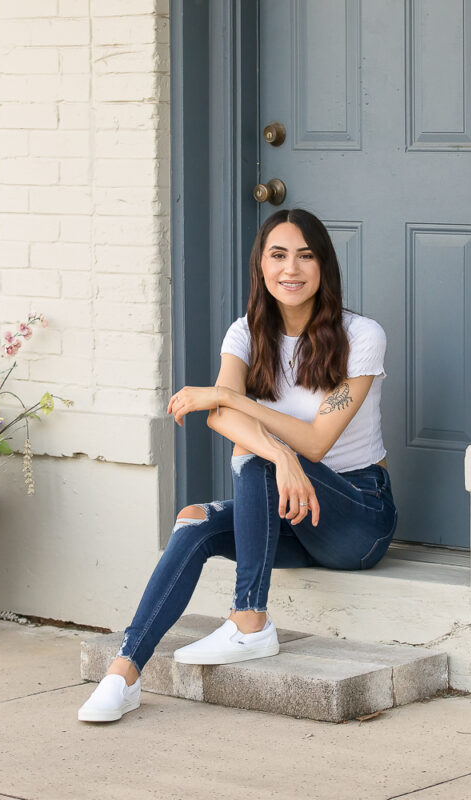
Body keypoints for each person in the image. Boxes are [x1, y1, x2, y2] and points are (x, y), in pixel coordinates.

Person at [77, 208, 398, 722]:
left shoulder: (362, 336)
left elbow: (316, 441)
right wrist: (277, 451)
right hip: (293, 513)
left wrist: (246, 414)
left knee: (254, 458)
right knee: (197, 522)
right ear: (261, 266)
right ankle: (124, 673)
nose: (291, 269)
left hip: (356, 516)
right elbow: (221, 419)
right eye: (278, 255)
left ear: (324, 267)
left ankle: (249, 620)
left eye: (306, 256)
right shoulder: (245, 334)